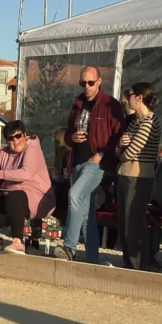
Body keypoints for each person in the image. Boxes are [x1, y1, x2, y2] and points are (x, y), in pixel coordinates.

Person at [53, 66, 124, 263]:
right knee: (85, 213)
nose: (87, 86)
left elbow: (119, 134)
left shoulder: (111, 104)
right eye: (83, 83)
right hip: (77, 161)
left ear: (99, 82)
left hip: (97, 163)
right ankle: (92, 259)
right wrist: (72, 137)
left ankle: (69, 247)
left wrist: (101, 154)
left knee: (74, 195)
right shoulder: (78, 103)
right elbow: (67, 133)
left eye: (90, 82)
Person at [0, 120, 56, 255]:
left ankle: (18, 241)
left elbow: (26, 173)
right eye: (10, 138)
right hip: (10, 193)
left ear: (24, 135)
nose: (15, 141)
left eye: (18, 136)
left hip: (37, 196)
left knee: (16, 195)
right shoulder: (4, 152)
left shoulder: (33, 148)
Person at [115, 83, 161, 270]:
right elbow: (120, 151)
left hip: (138, 178)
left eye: (130, 95)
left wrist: (123, 149)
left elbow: (129, 153)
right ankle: (130, 264)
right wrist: (120, 145)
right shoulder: (135, 122)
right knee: (124, 223)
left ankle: (139, 266)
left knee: (133, 223)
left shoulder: (150, 122)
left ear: (139, 98)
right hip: (125, 175)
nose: (128, 98)